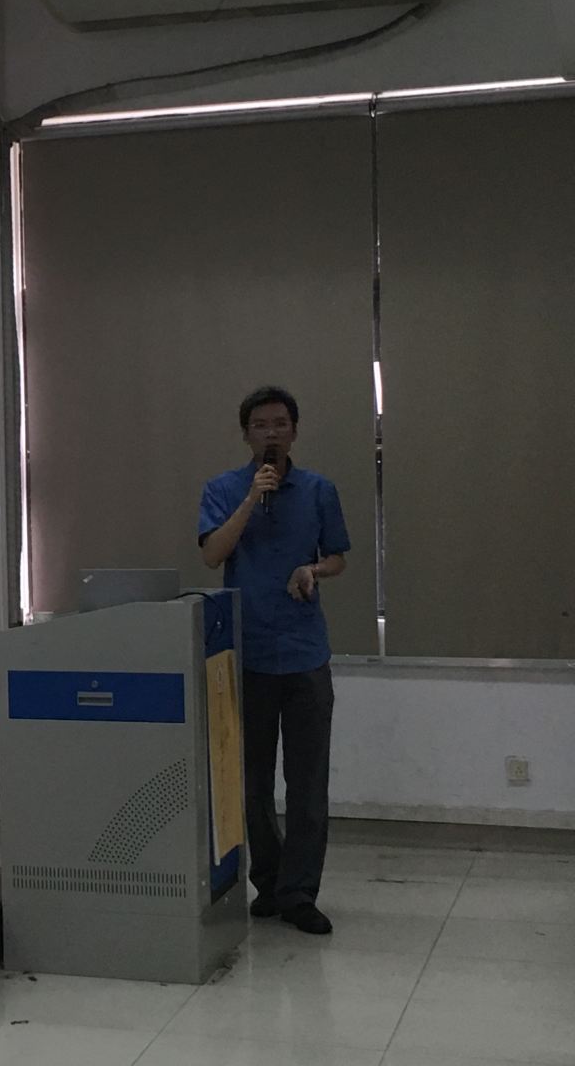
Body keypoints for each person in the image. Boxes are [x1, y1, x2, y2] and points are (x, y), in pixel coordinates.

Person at [198, 386, 349, 935]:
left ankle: (300, 892)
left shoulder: (319, 490)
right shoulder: (223, 489)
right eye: (260, 424)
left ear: (294, 431)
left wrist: (314, 570)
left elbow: (337, 557)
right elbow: (213, 554)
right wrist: (250, 500)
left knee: (307, 783)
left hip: (305, 653)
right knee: (251, 782)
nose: (271, 432)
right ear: (246, 434)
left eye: (280, 423)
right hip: (248, 653)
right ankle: (269, 881)